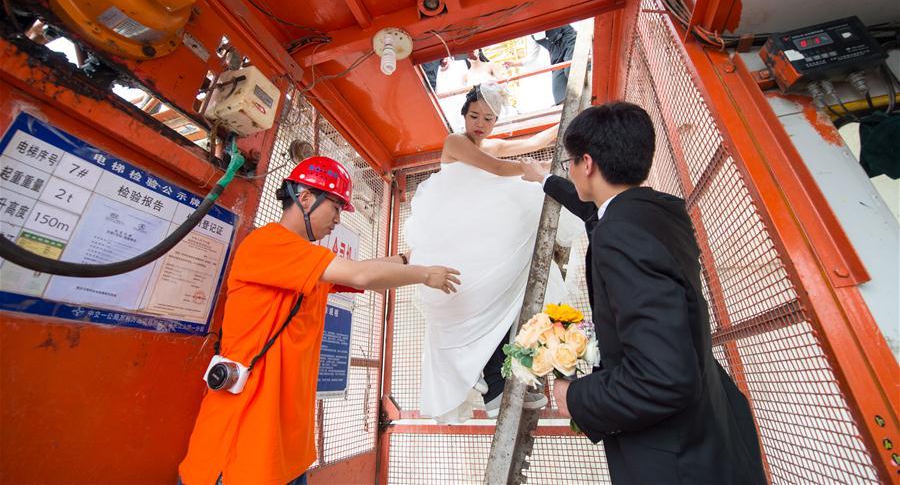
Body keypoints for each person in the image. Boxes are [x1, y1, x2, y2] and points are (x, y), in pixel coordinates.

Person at [521, 102, 766, 485]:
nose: (569, 168)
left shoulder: (621, 236)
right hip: (717, 431)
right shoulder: (659, 211)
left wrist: (576, 396)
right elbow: (595, 217)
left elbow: (664, 378)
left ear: (587, 164)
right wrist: (546, 180)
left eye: (569, 161)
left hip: (680, 462)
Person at [178, 156, 460, 485]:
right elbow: (362, 275)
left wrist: (410, 258)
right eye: (336, 207)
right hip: (242, 447)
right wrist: (424, 274)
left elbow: (366, 274)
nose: (338, 219)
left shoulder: (304, 261)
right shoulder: (268, 244)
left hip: (287, 451)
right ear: (306, 197)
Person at [406, 84, 581, 423]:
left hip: (482, 234)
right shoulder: (454, 142)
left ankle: (505, 381)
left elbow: (534, 143)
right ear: (463, 115)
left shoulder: (492, 145)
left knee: (504, 301)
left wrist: (569, 121)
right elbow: (500, 170)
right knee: (478, 305)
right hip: (463, 236)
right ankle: (494, 383)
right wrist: (535, 173)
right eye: (474, 116)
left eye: (489, 118)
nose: (480, 124)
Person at [534, 25, 577, 105]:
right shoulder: (531, 36)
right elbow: (531, 56)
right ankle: (565, 109)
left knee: (570, 71)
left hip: (569, 43)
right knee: (558, 87)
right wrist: (514, 64)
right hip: (556, 56)